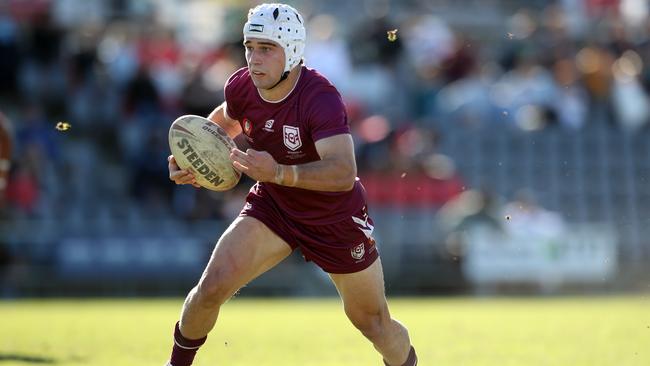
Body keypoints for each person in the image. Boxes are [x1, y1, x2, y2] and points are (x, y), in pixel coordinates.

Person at [165, 3, 417, 366]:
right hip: (275, 205)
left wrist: (279, 172)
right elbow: (221, 124)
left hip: (333, 216)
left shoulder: (320, 97)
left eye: (266, 48)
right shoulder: (241, 85)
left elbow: (343, 172)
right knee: (211, 287)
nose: (253, 58)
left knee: (373, 323)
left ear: (292, 51)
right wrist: (194, 160)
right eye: (249, 47)